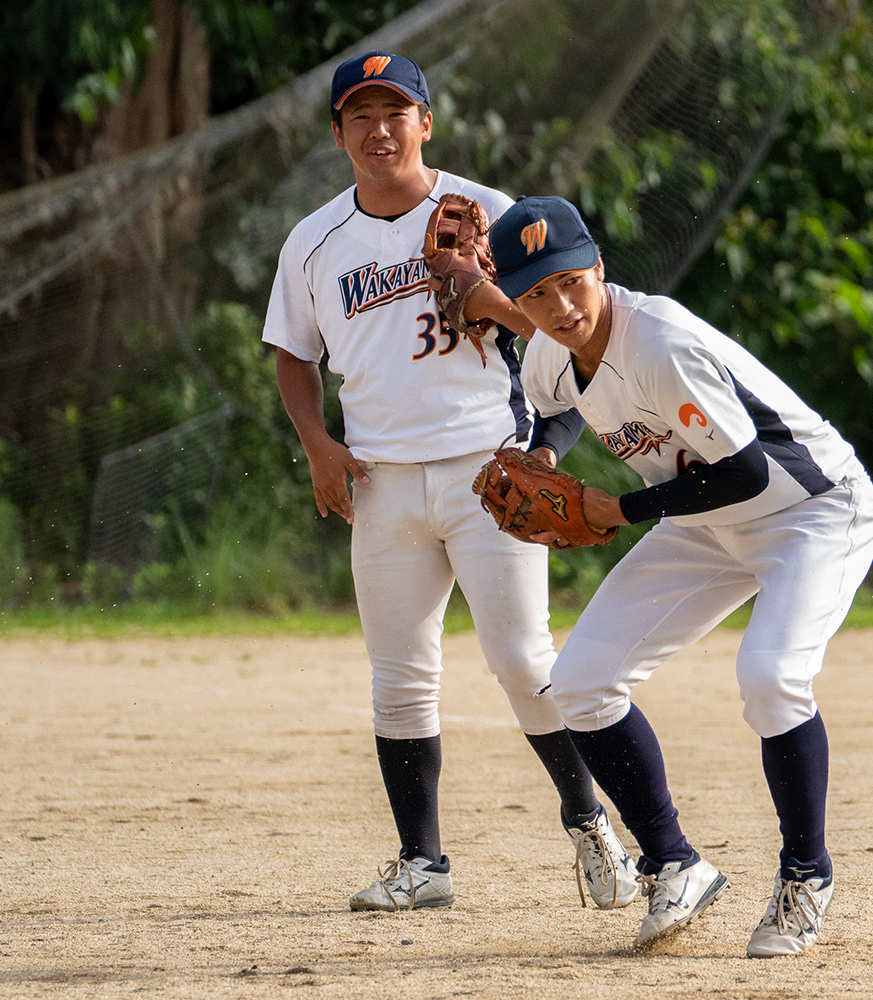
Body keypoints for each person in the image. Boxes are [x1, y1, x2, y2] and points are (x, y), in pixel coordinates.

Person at [261, 52, 637, 912]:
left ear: (427, 123)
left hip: (486, 471)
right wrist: (317, 442)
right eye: (360, 114)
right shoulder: (314, 240)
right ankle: (422, 865)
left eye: (397, 112)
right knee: (398, 678)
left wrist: (487, 296)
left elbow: (566, 334)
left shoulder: (488, 215)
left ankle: (591, 826)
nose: (379, 128)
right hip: (381, 481)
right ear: (338, 134)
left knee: (520, 661)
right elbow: (291, 352)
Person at [462, 195, 873, 955]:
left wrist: (615, 509)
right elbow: (558, 404)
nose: (559, 306)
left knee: (770, 675)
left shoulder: (660, 342)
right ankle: (673, 864)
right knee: (581, 683)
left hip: (812, 510)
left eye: (570, 283)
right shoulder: (556, 346)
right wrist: (546, 457)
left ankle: (806, 876)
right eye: (536, 295)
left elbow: (748, 472)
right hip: (704, 523)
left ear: (598, 268)